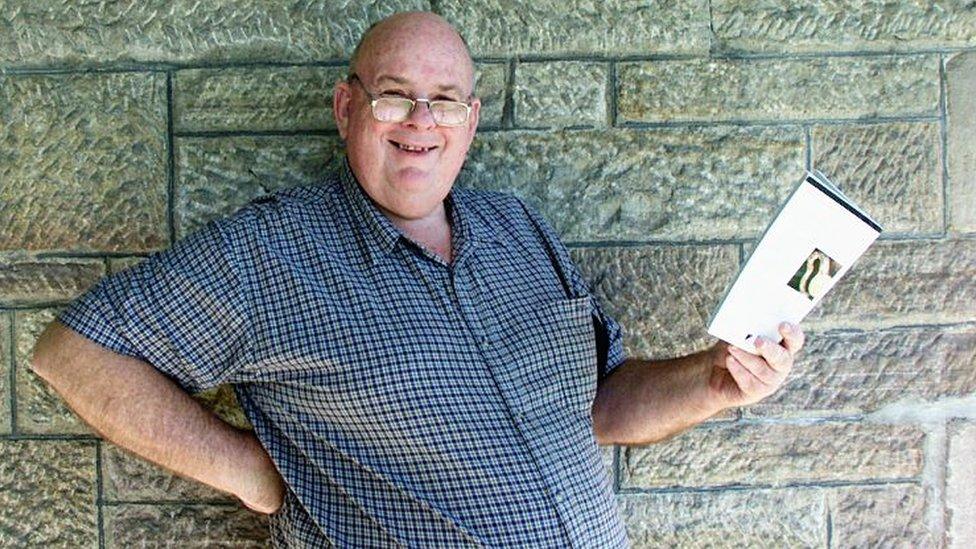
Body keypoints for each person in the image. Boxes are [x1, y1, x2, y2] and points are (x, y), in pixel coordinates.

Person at [30, 11, 804, 548]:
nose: (420, 122)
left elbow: (599, 402)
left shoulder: (519, 230)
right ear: (346, 108)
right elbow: (74, 353)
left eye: (444, 102)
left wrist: (716, 379)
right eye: (395, 95)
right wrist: (248, 470)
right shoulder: (273, 252)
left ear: (471, 117)